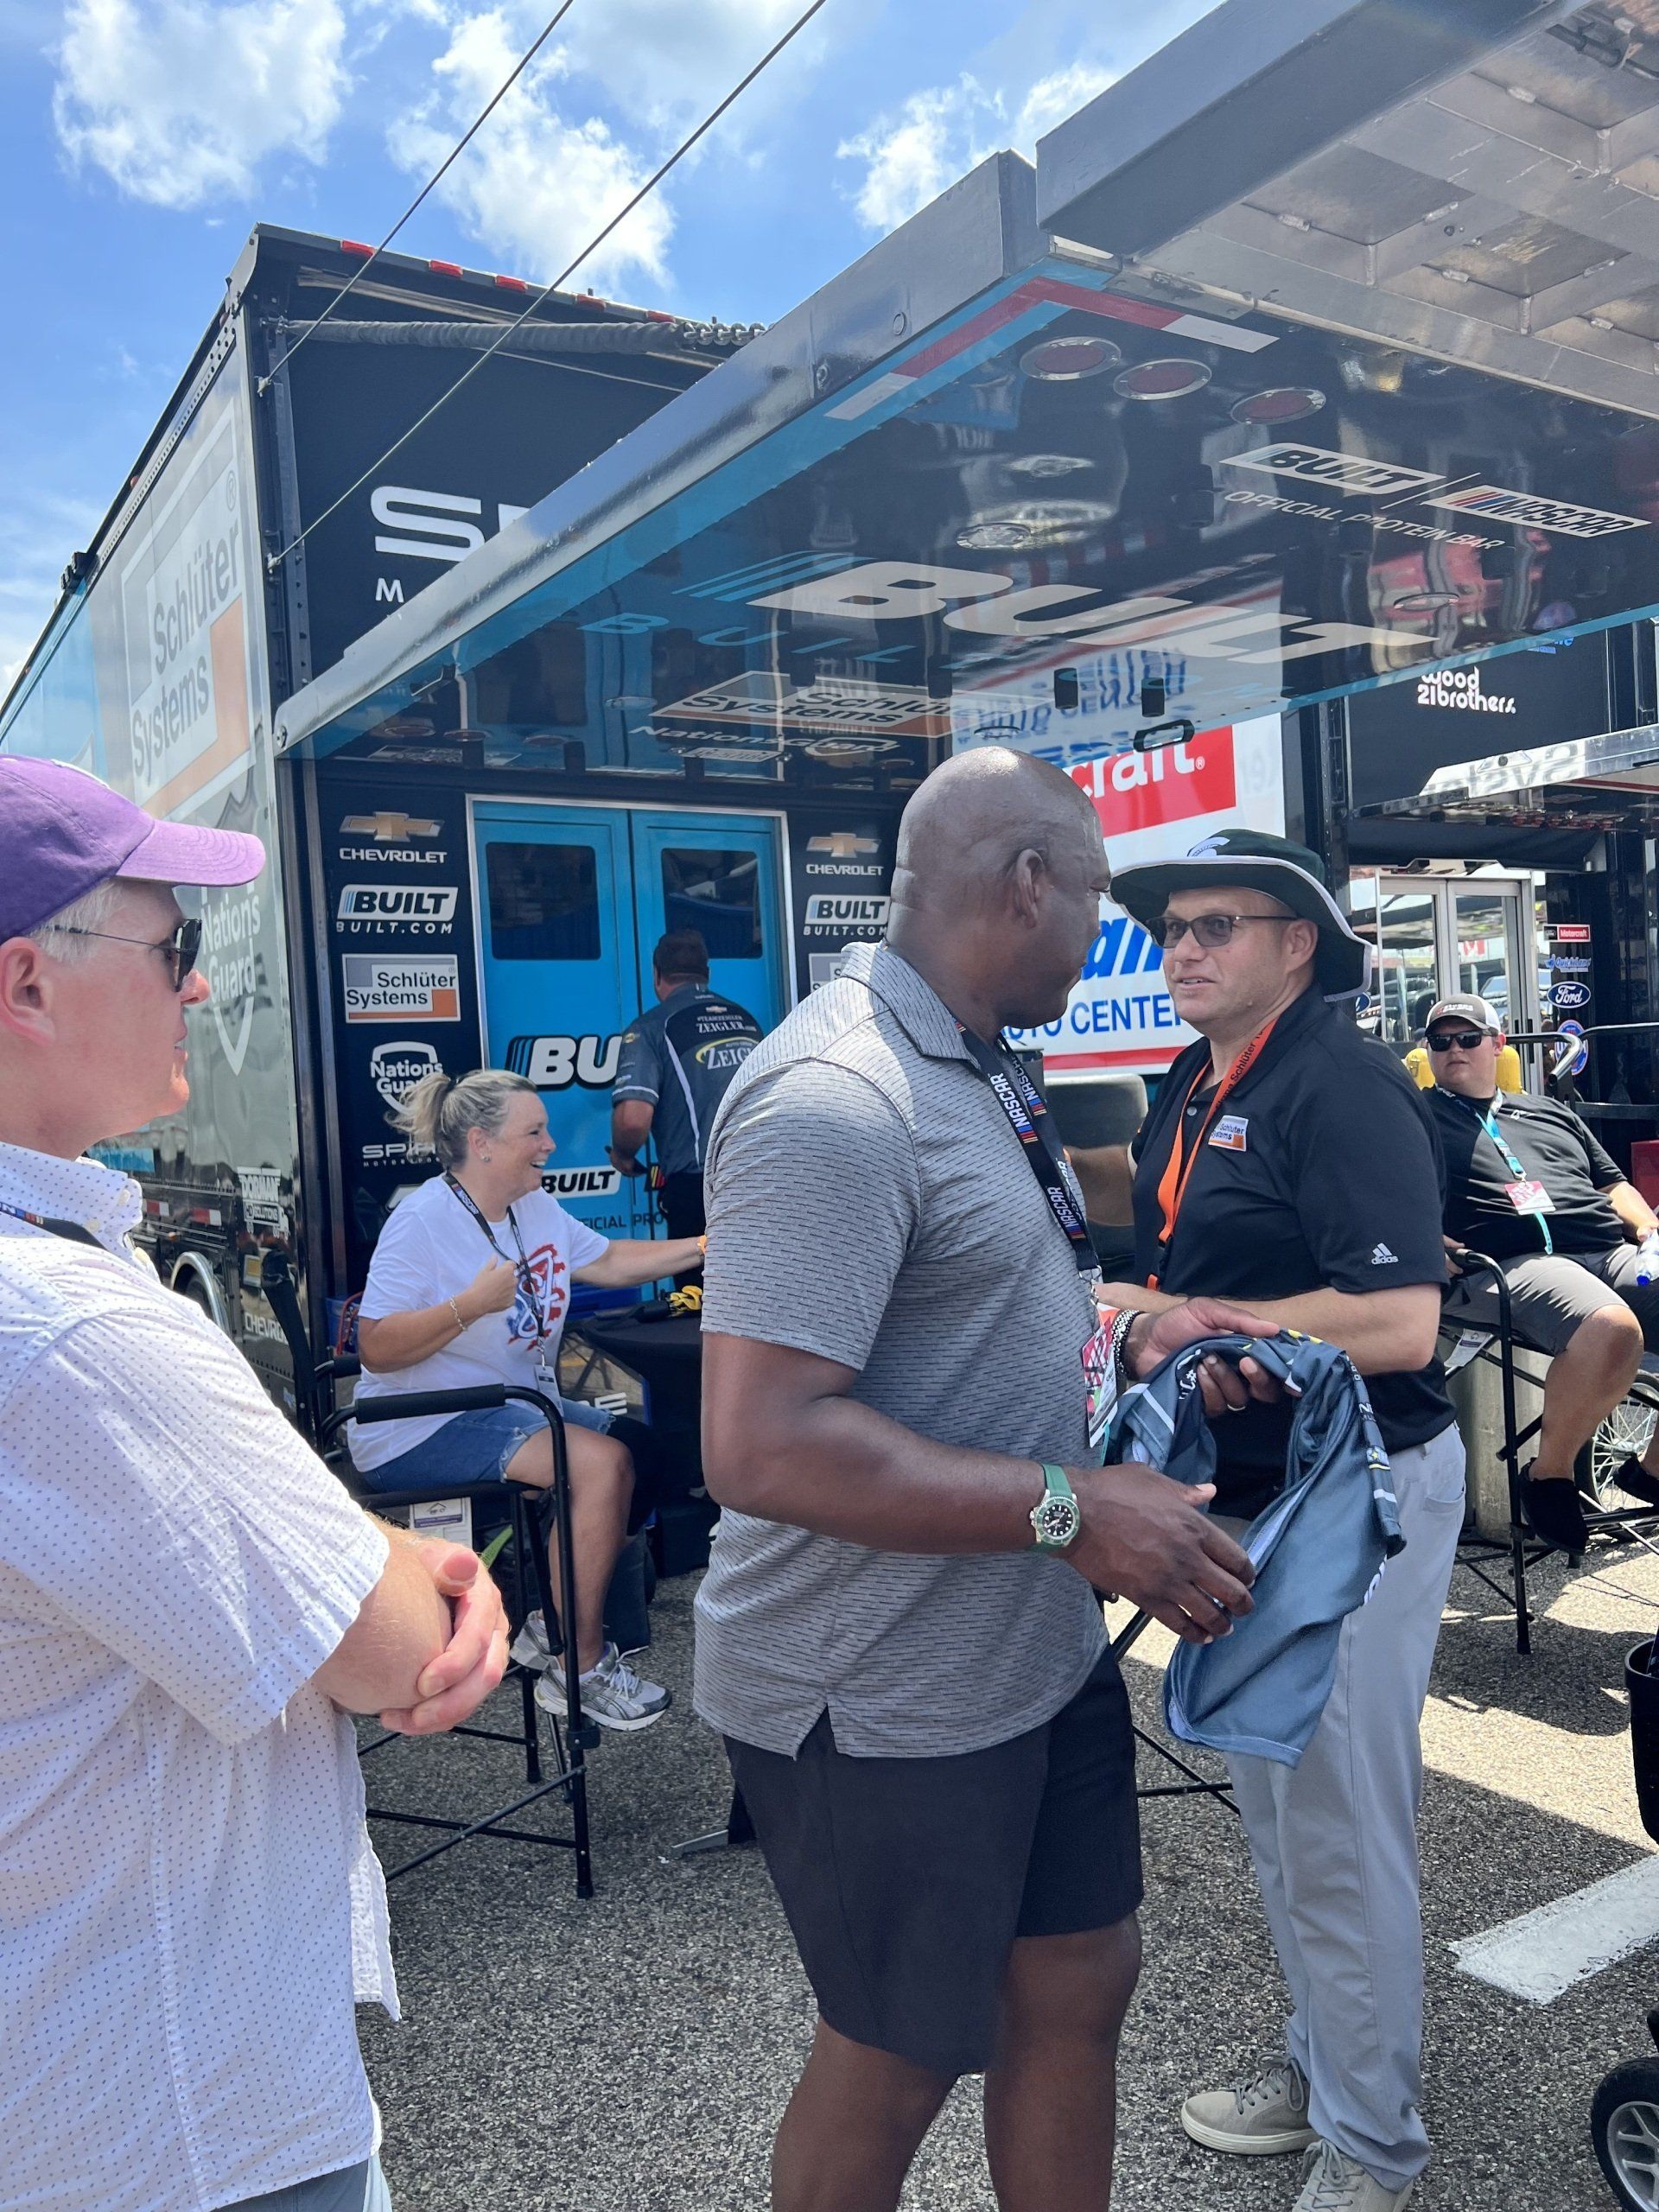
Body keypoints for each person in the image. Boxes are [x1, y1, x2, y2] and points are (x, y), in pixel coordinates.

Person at [696, 746, 1266, 2212]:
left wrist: (1135, 1332)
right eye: (1099, 907)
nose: (1109, 943)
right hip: (875, 1686)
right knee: (896, 2054)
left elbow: (984, 1306)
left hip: (1023, 1645)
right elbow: (758, 1444)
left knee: (1078, 1977)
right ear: (1026, 885)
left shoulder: (984, 1062)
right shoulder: (836, 1095)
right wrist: (1074, 1511)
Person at [0, 756, 510, 2212]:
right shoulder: (69, 1330)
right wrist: (403, 1570)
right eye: (178, 948)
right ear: (29, 983)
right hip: (165, 2116)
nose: (200, 989)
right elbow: (393, 1646)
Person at [1103, 828, 1465, 2212]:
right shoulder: (1193, 1081)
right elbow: (1186, 1282)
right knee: (1280, 1811)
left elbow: (1394, 1320)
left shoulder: (1344, 1078)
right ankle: (1330, 2070)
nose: (1182, 948)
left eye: (1217, 925)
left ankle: (1374, 2152)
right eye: (1171, 928)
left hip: (1352, 1499)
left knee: (1334, 1830)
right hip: (1248, 1499)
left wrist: (1177, 1325)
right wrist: (1153, 1325)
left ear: (1298, 944)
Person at [352, 1067, 702, 1730]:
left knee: (647, 1454)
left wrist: (708, 1245)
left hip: (505, 1406)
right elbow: (377, 1347)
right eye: (534, 1132)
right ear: (482, 1143)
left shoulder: (533, 1207)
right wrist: (468, 1307)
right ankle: (580, 1671)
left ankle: (552, 1624)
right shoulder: (422, 1220)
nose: (549, 1145)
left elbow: (610, 1262)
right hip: (418, 1427)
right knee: (598, 1465)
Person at [1425, 993, 1659, 1551]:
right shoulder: (1414, 1117)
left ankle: (1652, 1473)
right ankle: (1549, 1475)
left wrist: (1648, 1230)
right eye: (1440, 1041)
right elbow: (1376, 1193)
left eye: (1468, 1037)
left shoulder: (1550, 1110)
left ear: (1498, 1044)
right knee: (1610, 1327)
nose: (1454, 1049)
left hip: (1605, 1248)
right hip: (1508, 1263)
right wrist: (1420, 1237)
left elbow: (1613, 1184)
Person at [609, 928, 765, 1240]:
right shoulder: (747, 1021)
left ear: (657, 974)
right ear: (706, 973)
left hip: (699, 1188)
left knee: (698, 1288)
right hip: (760, 1174)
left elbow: (632, 1121)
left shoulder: (650, 1028)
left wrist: (623, 1155)